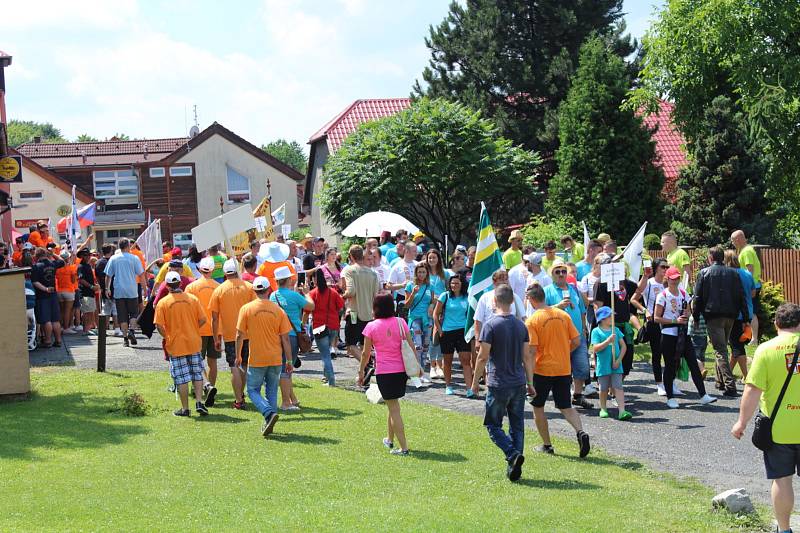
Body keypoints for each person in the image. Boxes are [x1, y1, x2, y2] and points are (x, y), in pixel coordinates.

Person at [731, 303, 800, 533]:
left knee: (782, 480)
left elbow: (752, 391)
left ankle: (784, 529)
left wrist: (742, 422)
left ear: (776, 324)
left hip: (779, 428)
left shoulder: (766, 350)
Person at [470, 284, 532, 481]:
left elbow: (482, 356)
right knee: (517, 425)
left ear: (494, 301)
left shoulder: (490, 325)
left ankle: (513, 455)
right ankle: (515, 467)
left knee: (493, 425)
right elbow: (527, 356)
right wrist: (531, 381)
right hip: (518, 382)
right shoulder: (522, 325)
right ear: (513, 301)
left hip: (498, 383)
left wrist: (474, 382)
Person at [525, 283, 591, 457]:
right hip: (563, 368)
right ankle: (580, 432)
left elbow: (531, 351)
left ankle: (547, 445)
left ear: (531, 300)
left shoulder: (532, 320)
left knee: (538, 406)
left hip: (542, 370)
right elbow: (577, 341)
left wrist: (529, 379)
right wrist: (564, 351)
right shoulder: (563, 315)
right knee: (566, 406)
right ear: (543, 297)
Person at [358, 293, 416, 456]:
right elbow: (411, 346)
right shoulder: (401, 322)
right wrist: (417, 367)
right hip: (401, 371)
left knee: (394, 408)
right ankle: (389, 440)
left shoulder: (371, 326)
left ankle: (403, 448)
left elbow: (365, 353)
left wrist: (361, 371)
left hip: (385, 372)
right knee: (393, 405)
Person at [236, 276, 294, 437]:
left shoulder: (246, 309)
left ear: (254, 291)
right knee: (271, 390)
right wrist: (289, 360)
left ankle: (268, 413)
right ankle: (269, 420)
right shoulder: (278, 310)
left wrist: (239, 354)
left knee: (252, 390)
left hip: (257, 358)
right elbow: (285, 338)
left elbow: (239, 335)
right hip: (275, 358)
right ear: (269, 290)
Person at [655, 267, 718, 408]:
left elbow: (689, 311)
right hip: (668, 334)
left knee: (693, 363)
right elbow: (656, 318)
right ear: (667, 279)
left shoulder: (683, 293)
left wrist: (686, 313)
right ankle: (670, 397)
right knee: (670, 365)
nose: (675, 281)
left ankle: (703, 394)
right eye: (672, 278)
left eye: (677, 278)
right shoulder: (662, 295)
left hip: (683, 333)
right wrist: (674, 321)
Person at [693, 246, 750, 397]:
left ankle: (730, 385)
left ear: (710, 258)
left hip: (713, 315)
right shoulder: (733, 273)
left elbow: (697, 297)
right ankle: (720, 381)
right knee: (722, 347)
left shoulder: (704, 273)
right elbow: (741, 296)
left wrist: (696, 315)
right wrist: (745, 318)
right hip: (730, 315)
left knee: (720, 350)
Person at [154, 271, 209, 417]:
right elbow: (203, 319)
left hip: (176, 344)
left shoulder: (163, 302)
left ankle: (185, 409)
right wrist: (193, 328)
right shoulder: (192, 299)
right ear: (180, 283)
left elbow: (159, 325)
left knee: (181, 378)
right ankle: (199, 402)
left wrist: (167, 336)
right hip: (194, 342)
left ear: (167, 285)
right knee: (197, 374)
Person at [208, 258, 256, 409]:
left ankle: (238, 399)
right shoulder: (249, 287)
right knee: (245, 365)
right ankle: (241, 395)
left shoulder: (219, 290)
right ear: (237, 270)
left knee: (234, 366)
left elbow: (214, 318)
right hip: (247, 332)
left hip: (230, 335)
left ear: (224, 272)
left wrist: (216, 337)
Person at [545, 261, 592, 409]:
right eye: (557, 272)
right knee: (561, 369)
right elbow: (541, 311)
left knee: (583, 367)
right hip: (557, 337)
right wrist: (557, 306)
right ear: (552, 274)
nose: (561, 274)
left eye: (563, 271)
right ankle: (562, 397)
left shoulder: (574, 289)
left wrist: (584, 328)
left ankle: (577, 396)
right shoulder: (547, 290)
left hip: (577, 335)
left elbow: (582, 310)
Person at [270, 266, 314, 410]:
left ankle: (292, 398)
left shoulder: (272, 295)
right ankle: (286, 403)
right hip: (292, 335)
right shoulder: (294, 295)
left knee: (284, 368)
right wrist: (307, 294)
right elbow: (311, 306)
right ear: (289, 280)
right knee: (287, 369)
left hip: (277, 335)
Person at [592, 257, 640, 379]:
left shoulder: (625, 283)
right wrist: (604, 327)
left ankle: (618, 385)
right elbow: (598, 307)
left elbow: (638, 290)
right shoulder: (601, 283)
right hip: (609, 327)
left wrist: (645, 276)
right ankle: (608, 389)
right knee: (607, 358)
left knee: (626, 358)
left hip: (624, 326)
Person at [184, 257, 220, 407]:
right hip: (215, 329)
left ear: (199, 269)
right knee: (213, 362)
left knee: (197, 362)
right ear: (212, 270)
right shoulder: (218, 287)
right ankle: (209, 386)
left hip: (197, 328)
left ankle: (206, 387)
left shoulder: (191, 287)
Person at [631, 257, 669, 395]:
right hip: (654, 323)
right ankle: (659, 384)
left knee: (671, 353)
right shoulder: (650, 283)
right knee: (657, 353)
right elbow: (634, 299)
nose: (666, 270)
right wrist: (644, 310)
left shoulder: (669, 282)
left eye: (667, 267)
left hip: (669, 321)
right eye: (663, 267)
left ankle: (670, 382)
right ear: (655, 269)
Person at [432, 273, 474, 396]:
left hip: (462, 332)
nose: (454, 285)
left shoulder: (467, 297)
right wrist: (440, 330)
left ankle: (469, 388)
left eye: (457, 283)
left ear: (462, 284)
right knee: (448, 361)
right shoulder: (445, 296)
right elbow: (435, 314)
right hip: (447, 332)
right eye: (452, 283)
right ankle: (448, 385)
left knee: (466, 360)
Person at [590, 306, 632, 420]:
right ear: (602, 319)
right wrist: (608, 341)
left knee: (618, 386)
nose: (613, 317)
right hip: (603, 365)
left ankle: (622, 410)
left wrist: (618, 360)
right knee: (603, 388)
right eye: (610, 316)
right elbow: (596, 348)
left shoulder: (616, 330)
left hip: (616, 364)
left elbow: (623, 346)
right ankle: (603, 408)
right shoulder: (596, 331)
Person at [342, 245, 381, 363]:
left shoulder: (349, 270)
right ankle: (364, 372)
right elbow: (376, 295)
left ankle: (368, 364)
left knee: (351, 345)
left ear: (351, 256)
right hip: (369, 314)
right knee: (365, 344)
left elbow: (351, 291)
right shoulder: (373, 274)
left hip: (354, 312)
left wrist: (342, 295)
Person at [104, 238, 146, 347]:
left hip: (118, 290)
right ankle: (132, 330)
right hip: (132, 290)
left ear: (119, 246)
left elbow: (108, 275)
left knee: (122, 316)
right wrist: (144, 289)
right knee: (133, 313)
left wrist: (107, 288)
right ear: (128, 246)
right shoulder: (134, 258)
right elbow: (141, 275)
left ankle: (125, 339)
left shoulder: (113, 258)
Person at [724, 250, 756, 381]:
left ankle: (747, 377)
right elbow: (753, 292)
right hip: (747, 313)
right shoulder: (747, 273)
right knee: (736, 344)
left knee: (737, 346)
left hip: (735, 315)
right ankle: (727, 374)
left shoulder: (728, 275)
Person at [310, 269, 344, 386]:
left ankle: (331, 381)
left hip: (319, 327)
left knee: (325, 354)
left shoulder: (313, 293)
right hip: (333, 326)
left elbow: (307, 309)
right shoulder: (333, 292)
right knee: (327, 351)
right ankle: (326, 377)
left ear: (314, 280)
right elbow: (340, 307)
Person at [405, 262, 435, 382]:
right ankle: (416, 373)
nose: (421, 274)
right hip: (415, 318)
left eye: (423, 272)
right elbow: (407, 305)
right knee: (417, 346)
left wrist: (431, 306)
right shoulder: (410, 285)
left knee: (426, 346)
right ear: (416, 273)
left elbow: (432, 301)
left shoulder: (430, 286)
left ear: (427, 273)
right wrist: (413, 293)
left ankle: (422, 372)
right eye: (419, 272)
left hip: (427, 319)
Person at [731, 229, 762, 344]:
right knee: (747, 312)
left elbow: (750, 269)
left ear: (738, 239)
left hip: (751, 286)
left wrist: (749, 286)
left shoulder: (747, 251)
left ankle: (754, 339)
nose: (732, 243)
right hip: (751, 285)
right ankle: (749, 336)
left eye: (733, 240)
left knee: (751, 312)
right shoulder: (745, 250)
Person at [30, 247, 65, 348]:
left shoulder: (36, 266)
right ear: (46, 254)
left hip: (42, 296)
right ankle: (58, 341)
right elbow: (62, 261)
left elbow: (35, 282)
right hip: (53, 294)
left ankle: (48, 341)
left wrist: (45, 289)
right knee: (55, 320)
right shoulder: (52, 264)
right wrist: (53, 253)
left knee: (46, 320)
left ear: (36, 256)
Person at [425, 249, 448, 377]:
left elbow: (449, 289)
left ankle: (440, 365)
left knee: (439, 336)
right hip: (428, 308)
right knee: (430, 337)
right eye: (430, 258)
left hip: (441, 308)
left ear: (438, 259)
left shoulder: (444, 274)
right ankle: (432, 365)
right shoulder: (425, 274)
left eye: (434, 258)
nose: (432, 260)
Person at [387, 242, 418, 318]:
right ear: (407, 251)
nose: (416, 253)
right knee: (404, 324)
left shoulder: (418, 265)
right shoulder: (397, 266)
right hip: (402, 298)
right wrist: (402, 285)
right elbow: (388, 286)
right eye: (414, 251)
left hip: (418, 298)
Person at [55, 250, 79, 333]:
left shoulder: (57, 268)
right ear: (67, 258)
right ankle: (66, 328)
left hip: (59, 291)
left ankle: (61, 327)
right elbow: (73, 281)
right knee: (67, 311)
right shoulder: (72, 267)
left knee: (61, 310)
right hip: (69, 291)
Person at [76, 248, 99, 335]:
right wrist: (91, 286)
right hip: (84, 292)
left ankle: (88, 328)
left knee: (90, 311)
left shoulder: (87, 265)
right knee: (86, 312)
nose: (88, 256)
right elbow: (81, 279)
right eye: (85, 255)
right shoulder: (81, 266)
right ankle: (85, 330)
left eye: (89, 255)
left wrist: (94, 285)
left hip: (90, 292)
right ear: (81, 256)